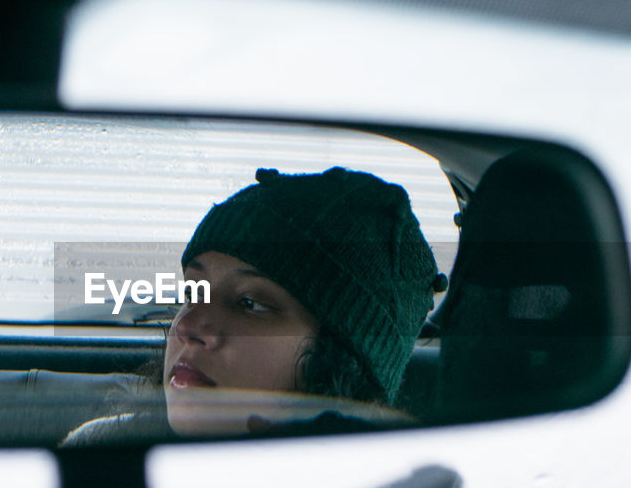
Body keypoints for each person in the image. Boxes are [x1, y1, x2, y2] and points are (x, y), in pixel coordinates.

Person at [60, 166, 448, 446]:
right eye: (192, 293)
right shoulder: (105, 446)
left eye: (249, 303)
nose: (188, 326)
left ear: (342, 361)